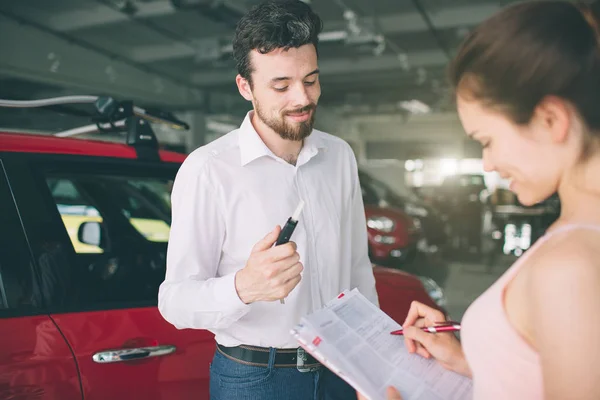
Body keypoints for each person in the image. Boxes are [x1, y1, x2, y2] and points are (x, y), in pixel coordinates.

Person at [359, 1, 600, 399]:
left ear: (550, 120)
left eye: (488, 141)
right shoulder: (575, 236)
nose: (489, 163)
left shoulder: (571, 265)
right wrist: (475, 363)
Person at [158, 1, 378, 399]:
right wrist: (244, 286)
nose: (302, 98)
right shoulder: (208, 169)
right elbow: (174, 301)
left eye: (311, 80)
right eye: (281, 86)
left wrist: (372, 365)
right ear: (246, 87)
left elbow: (359, 271)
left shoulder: (339, 156)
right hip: (257, 380)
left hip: (341, 370)